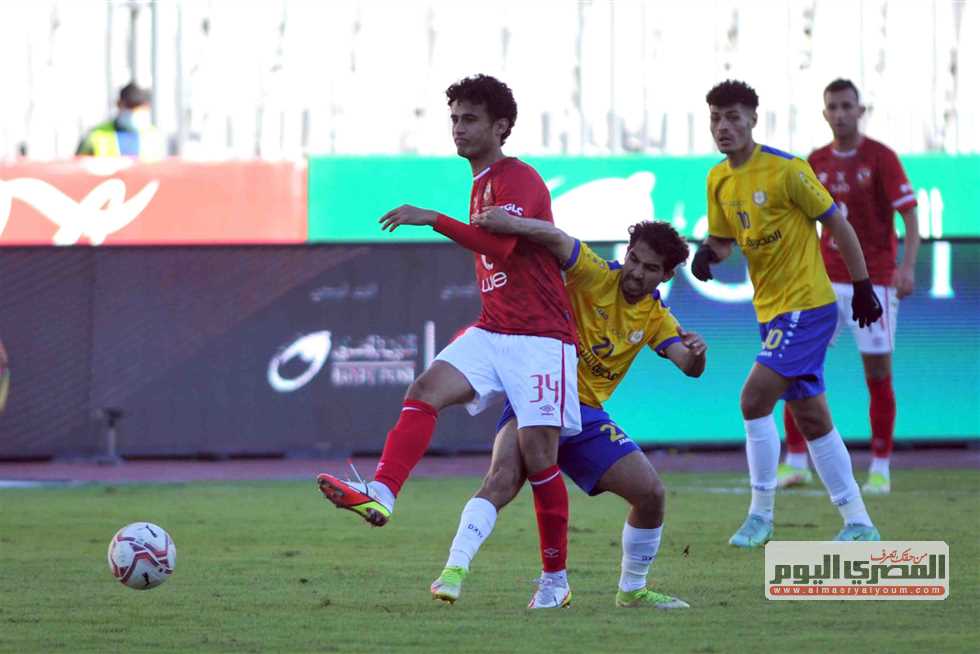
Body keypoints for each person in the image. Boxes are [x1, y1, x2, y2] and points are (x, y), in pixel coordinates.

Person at [315, 74, 581, 609]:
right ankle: (382, 493)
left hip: (540, 339)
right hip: (494, 328)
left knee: (538, 458)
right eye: (455, 118)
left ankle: (555, 581)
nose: (458, 127)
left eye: (470, 119)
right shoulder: (480, 182)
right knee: (424, 389)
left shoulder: (518, 177)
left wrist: (433, 219)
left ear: (501, 127)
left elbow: (502, 249)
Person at [429, 215, 703, 609]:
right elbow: (555, 237)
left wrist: (697, 355)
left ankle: (632, 591)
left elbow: (688, 365)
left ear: (666, 275)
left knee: (651, 494)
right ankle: (453, 571)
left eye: (650, 268)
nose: (637, 272)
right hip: (538, 392)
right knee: (502, 480)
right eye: (634, 260)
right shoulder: (594, 273)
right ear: (626, 253)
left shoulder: (657, 317)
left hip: (586, 414)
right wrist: (511, 223)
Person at [692, 79, 883, 547]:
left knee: (753, 399)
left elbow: (837, 222)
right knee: (813, 418)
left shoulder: (787, 169)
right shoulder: (718, 179)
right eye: (716, 118)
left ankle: (760, 515)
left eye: (733, 117)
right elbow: (724, 239)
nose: (723, 126)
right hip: (771, 312)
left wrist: (862, 285)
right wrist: (707, 254)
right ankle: (859, 522)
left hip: (807, 306)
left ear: (753, 120)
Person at [777, 79, 919, 495]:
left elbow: (910, 215)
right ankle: (796, 462)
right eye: (833, 107)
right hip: (822, 282)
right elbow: (797, 222)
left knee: (877, 373)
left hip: (873, 282)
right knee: (796, 367)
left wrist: (907, 267)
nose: (840, 114)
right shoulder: (815, 161)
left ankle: (880, 467)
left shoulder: (881, 158)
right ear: (825, 114)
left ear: (860, 110)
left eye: (846, 106)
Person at [76, 82, 165, 161]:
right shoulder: (95, 135)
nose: (133, 111)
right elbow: (78, 167)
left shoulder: (154, 136)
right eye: (129, 106)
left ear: (146, 107)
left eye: (137, 107)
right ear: (119, 104)